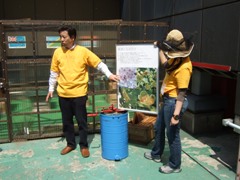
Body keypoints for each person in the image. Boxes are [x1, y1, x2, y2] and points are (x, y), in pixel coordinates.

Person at [46, 25, 119, 158]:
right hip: (63, 94)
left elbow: (99, 64)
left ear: (72, 38)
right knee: (67, 122)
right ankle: (70, 144)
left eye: (64, 37)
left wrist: (109, 75)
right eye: (60, 37)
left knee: (82, 121)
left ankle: (84, 146)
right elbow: (54, 72)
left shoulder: (83, 52)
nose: (61, 39)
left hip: (79, 94)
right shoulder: (57, 52)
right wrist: (51, 89)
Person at [144, 29, 194, 173]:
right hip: (167, 100)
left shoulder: (185, 67)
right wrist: (160, 48)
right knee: (158, 127)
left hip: (174, 103)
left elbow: (182, 94)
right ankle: (156, 154)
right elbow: (166, 65)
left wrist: (176, 116)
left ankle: (174, 165)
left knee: (172, 135)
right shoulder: (177, 59)